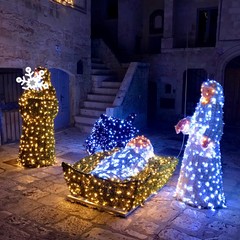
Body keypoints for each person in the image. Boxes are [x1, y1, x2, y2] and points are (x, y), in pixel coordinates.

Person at [174, 80, 226, 209]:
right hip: (194, 142)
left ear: (214, 93)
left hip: (204, 143)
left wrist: (208, 137)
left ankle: (202, 197)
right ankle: (188, 193)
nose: (204, 93)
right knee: (192, 167)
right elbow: (197, 119)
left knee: (203, 168)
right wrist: (186, 121)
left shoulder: (215, 106)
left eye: (208, 91)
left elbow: (216, 124)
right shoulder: (201, 103)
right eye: (203, 90)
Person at [18, 67, 58, 167]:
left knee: (43, 142)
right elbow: (23, 101)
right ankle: (30, 159)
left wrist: (43, 113)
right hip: (31, 124)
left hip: (44, 125)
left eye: (38, 73)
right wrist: (28, 113)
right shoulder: (30, 89)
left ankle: (44, 159)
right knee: (31, 141)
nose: (36, 75)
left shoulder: (49, 90)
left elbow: (54, 106)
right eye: (35, 73)